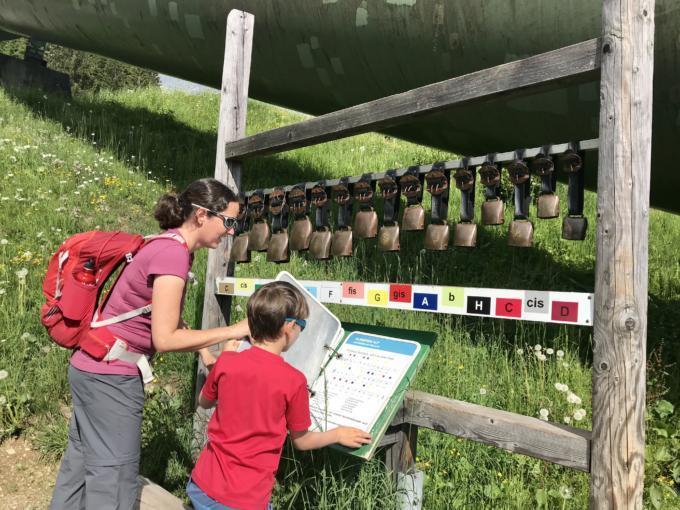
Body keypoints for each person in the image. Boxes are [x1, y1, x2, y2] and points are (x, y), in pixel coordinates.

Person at [49, 177, 250, 510]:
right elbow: (166, 337)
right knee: (112, 483)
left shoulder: (164, 244)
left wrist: (203, 350)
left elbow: (162, 314)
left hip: (89, 367)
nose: (230, 231)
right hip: (112, 379)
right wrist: (231, 331)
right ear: (201, 216)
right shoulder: (173, 255)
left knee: (80, 468)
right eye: (228, 221)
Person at [187, 281, 372, 510]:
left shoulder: (227, 361)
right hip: (244, 499)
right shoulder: (293, 381)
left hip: (202, 485)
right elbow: (302, 441)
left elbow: (204, 402)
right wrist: (337, 434)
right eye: (302, 326)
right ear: (290, 326)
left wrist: (222, 362)